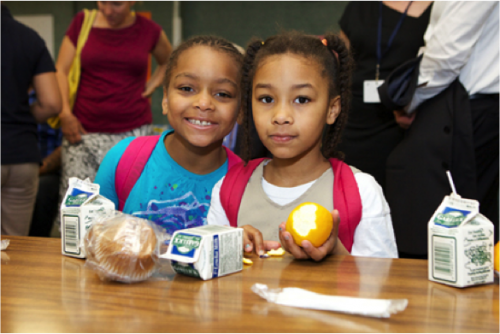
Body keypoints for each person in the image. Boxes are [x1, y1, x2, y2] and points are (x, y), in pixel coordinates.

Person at [207, 32, 398, 260]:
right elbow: (209, 286)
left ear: (332, 109)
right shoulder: (228, 188)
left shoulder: (360, 192)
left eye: (302, 99)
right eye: (266, 99)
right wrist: (228, 251)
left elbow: (382, 287)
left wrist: (336, 254)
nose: (281, 116)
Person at [94, 36, 244, 235]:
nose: (204, 103)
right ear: (165, 98)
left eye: (223, 94)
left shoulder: (244, 184)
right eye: (187, 88)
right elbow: (90, 242)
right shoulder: (124, 158)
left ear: (241, 110)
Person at [388, 0, 500, 258]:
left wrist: (410, 101)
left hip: (467, 105)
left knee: (452, 227)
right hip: (464, 103)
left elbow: (446, 53)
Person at [55, 0, 172, 218]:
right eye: (102, 2)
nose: (108, 10)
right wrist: (64, 112)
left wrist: (153, 84)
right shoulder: (82, 23)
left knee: (127, 207)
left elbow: (169, 61)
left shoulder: (149, 30)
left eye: (117, 4)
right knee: (76, 209)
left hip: (133, 131)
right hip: (84, 133)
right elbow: (61, 70)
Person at [337, 0, 433, 189]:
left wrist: (414, 104)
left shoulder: (440, 7)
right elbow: (341, 61)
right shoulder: (360, 5)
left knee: (399, 196)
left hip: (405, 118)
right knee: (350, 191)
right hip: (353, 117)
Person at [0, 1, 62, 235]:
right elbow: (52, 103)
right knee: (14, 248)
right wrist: (20, 115)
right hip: (22, 157)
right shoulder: (29, 38)